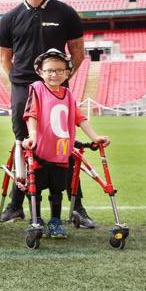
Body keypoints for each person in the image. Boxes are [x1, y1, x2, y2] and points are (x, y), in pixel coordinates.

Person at [0, 0, 89, 226]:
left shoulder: (66, 13)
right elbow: (5, 58)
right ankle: (17, 205)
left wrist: (58, 81)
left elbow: (78, 53)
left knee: (65, 144)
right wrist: (19, 83)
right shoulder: (10, 18)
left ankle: (77, 208)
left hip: (57, 90)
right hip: (24, 89)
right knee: (23, 143)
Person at [22, 49, 110, 238]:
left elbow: (79, 118)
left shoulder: (68, 94)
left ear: (67, 72)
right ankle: (35, 219)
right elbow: (32, 114)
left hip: (61, 152)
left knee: (57, 190)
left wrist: (95, 136)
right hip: (40, 151)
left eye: (59, 70)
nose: (54, 74)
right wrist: (32, 135)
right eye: (50, 70)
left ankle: (55, 221)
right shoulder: (37, 88)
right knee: (34, 189)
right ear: (41, 72)